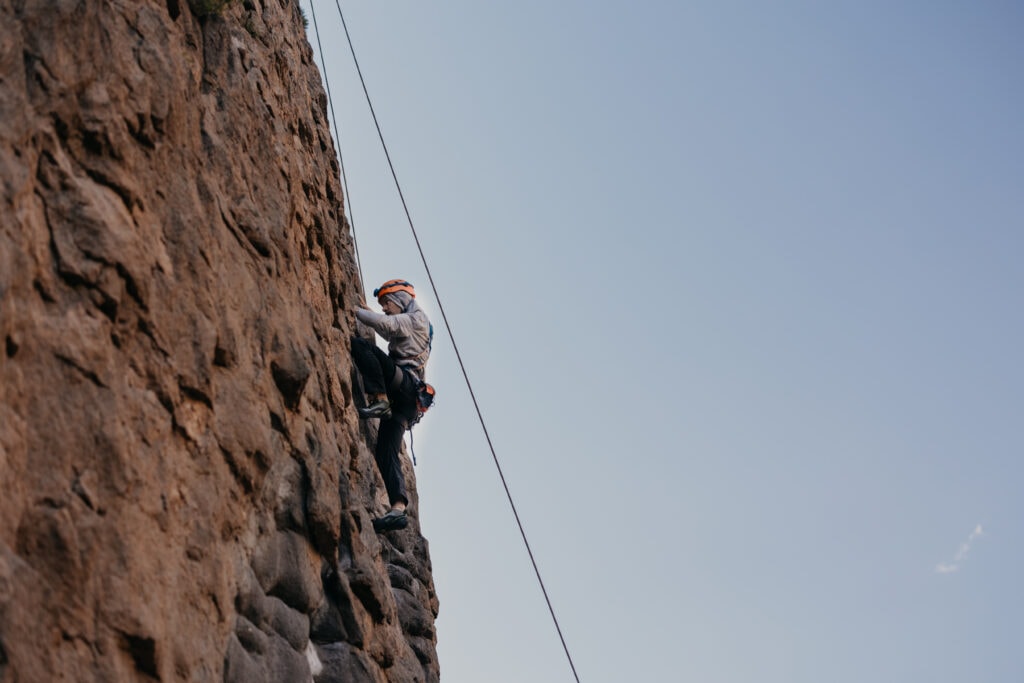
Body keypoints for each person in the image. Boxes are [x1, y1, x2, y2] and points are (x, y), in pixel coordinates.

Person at [351, 279, 432, 532]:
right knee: (386, 450)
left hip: (404, 386)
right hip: (407, 405)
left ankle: (379, 399)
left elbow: (388, 325)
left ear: (399, 299)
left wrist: (356, 311)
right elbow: (389, 330)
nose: (384, 308)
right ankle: (398, 508)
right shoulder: (412, 322)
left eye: (387, 303)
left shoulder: (417, 318)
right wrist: (370, 312)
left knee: (362, 347)